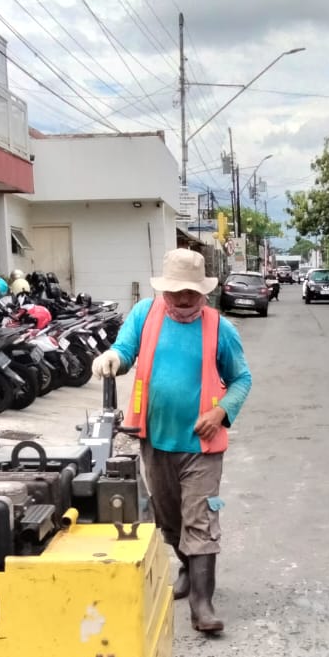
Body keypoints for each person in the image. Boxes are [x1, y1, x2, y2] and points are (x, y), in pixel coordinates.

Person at [92, 248, 252, 635]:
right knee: (169, 516)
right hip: (155, 439)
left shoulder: (219, 328)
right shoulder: (145, 316)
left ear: (203, 293)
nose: (183, 300)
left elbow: (242, 378)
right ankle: (186, 565)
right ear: (164, 290)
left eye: (191, 294)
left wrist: (220, 413)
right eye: (176, 292)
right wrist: (113, 357)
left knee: (201, 518)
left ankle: (202, 603)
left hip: (201, 446)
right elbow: (126, 350)